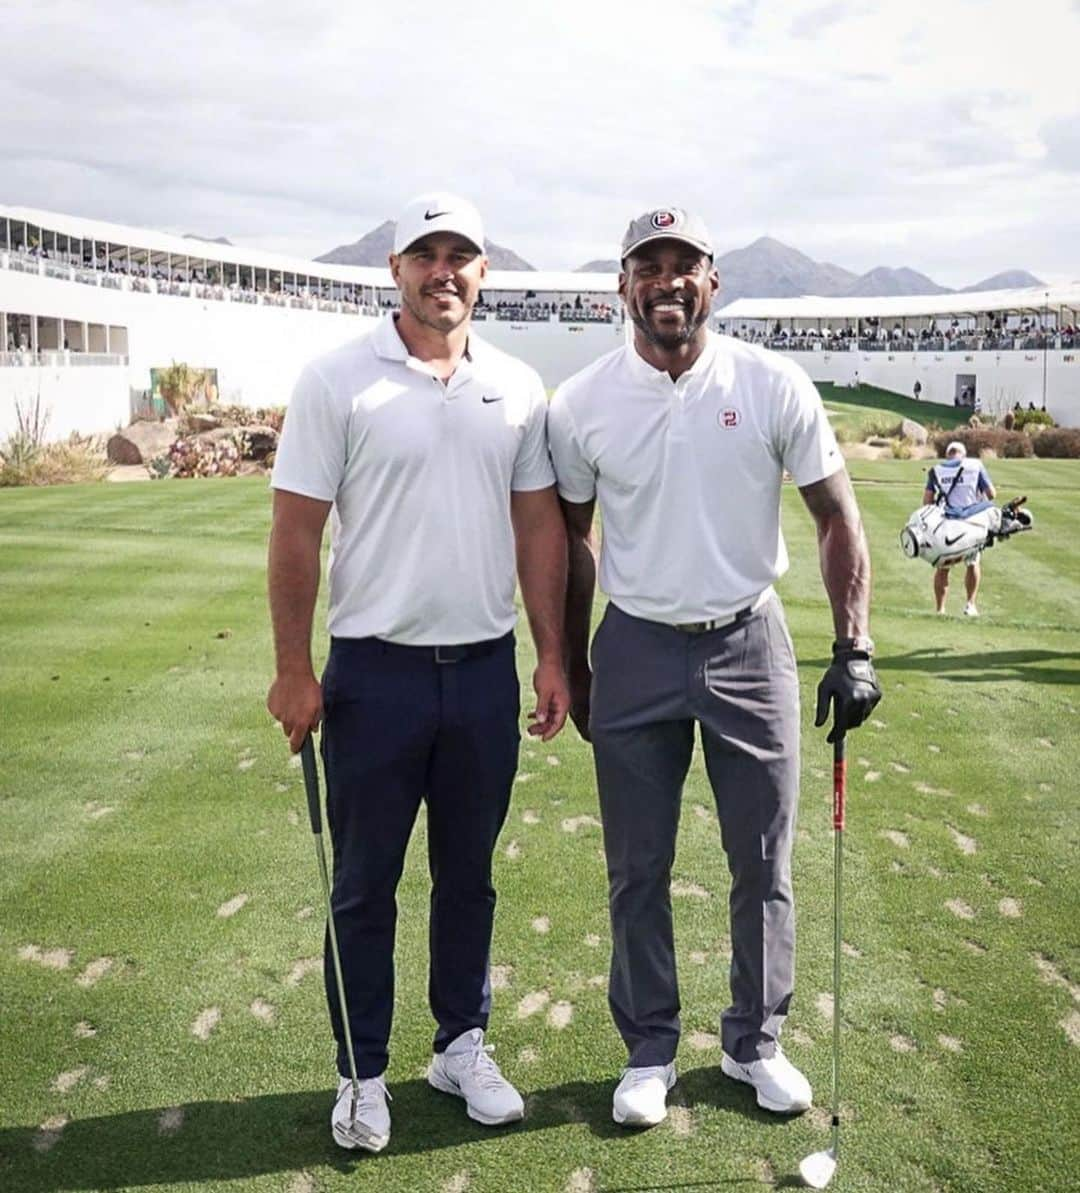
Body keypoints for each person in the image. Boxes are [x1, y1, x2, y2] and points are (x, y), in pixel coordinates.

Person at [547, 207, 881, 1129]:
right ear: (622, 286)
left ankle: (753, 1043)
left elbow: (837, 516)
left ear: (712, 281)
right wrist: (568, 659)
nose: (666, 281)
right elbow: (572, 538)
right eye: (646, 266)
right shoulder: (581, 403)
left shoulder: (772, 385)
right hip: (636, 643)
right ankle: (649, 1048)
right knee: (637, 866)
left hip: (749, 642)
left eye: (683, 264)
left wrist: (853, 644)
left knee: (765, 861)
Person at [267, 192, 569, 1153]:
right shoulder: (337, 381)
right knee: (364, 883)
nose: (446, 270)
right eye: (426, 254)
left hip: (482, 669)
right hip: (373, 675)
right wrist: (291, 668)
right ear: (394, 267)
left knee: (468, 878)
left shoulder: (517, 386)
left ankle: (459, 1043)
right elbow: (296, 530)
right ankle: (361, 1073)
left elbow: (536, 527)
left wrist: (554, 651)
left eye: (463, 255)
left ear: (484, 271)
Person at [923, 440, 996, 617]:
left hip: (947, 523)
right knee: (972, 563)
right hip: (971, 523)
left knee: (943, 566)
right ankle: (970, 604)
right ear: (963, 454)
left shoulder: (936, 470)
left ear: (948, 454)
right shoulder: (975, 465)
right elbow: (991, 494)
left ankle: (940, 609)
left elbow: (927, 502)